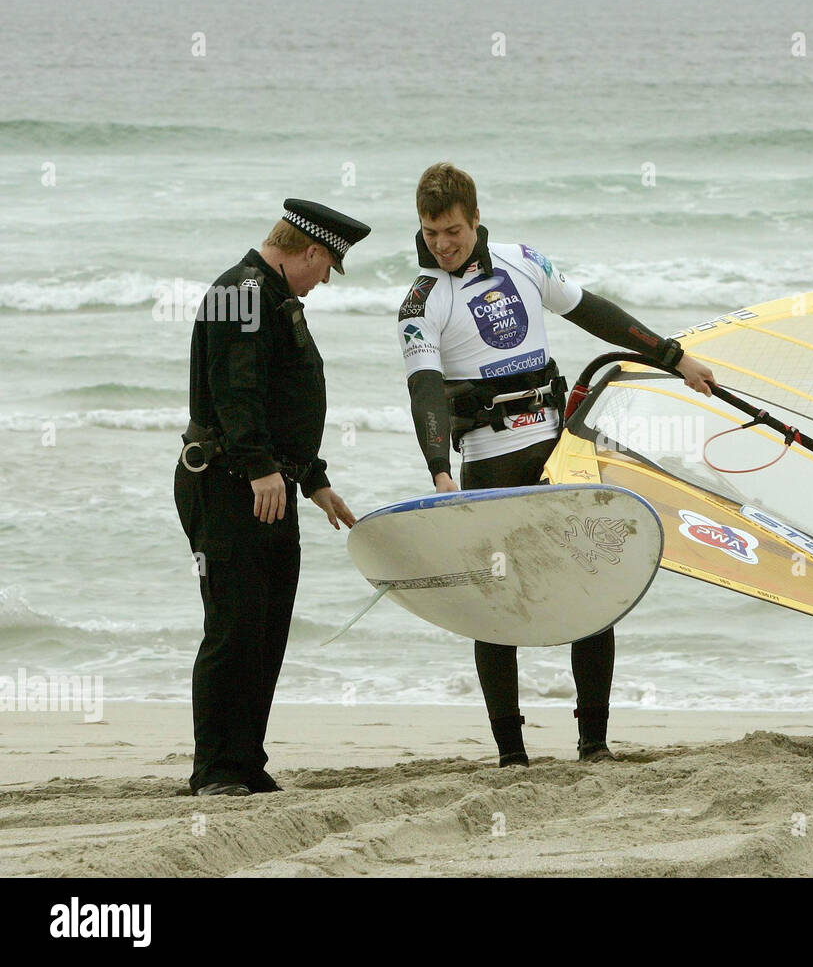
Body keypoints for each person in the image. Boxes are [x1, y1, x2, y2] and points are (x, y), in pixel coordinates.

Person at [397, 163, 715, 767]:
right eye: (432, 232)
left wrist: (675, 357)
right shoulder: (421, 301)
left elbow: (592, 312)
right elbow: (425, 391)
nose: (443, 244)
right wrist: (438, 468)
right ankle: (511, 753)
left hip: (556, 452)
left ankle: (593, 742)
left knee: (592, 587)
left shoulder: (522, 261)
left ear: (476, 219)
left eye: (454, 231)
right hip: (488, 464)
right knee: (495, 606)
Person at [175, 199, 370, 796]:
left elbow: (282, 397)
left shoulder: (275, 296)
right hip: (228, 482)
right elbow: (235, 389)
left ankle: (245, 761)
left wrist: (313, 479)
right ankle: (216, 769)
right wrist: (260, 465)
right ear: (310, 251)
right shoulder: (240, 292)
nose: (324, 281)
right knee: (233, 627)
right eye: (326, 267)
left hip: (266, 484)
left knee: (266, 628)